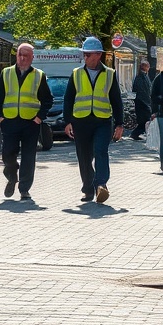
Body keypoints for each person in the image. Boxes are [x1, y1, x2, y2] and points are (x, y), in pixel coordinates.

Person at [63, 37, 124, 204]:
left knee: (100, 151)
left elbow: (116, 101)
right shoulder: (76, 74)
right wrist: (67, 121)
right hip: (80, 122)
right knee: (84, 157)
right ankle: (88, 190)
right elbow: (68, 99)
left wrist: (119, 124)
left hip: (103, 121)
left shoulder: (109, 74)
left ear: (98, 55)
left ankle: (101, 185)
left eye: (93, 54)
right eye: (87, 54)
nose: (90, 57)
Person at [0, 43, 54, 201]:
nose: (22, 58)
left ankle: (24, 189)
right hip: (10, 121)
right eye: (20, 54)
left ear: (32, 57)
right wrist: (0, 117)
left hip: (30, 122)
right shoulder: (6, 73)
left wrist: (39, 117)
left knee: (28, 156)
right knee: (7, 154)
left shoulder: (39, 75)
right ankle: (12, 176)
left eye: (26, 55)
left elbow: (47, 100)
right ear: (16, 56)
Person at [129, 60, 152, 141]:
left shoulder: (142, 76)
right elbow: (143, 91)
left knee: (144, 120)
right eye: (148, 66)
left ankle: (136, 133)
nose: (149, 68)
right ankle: (135, 133)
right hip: (142, 102)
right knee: (144, 120)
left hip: (142, 102)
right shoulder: (141, 77)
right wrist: (147, 102)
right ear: (144, 67)